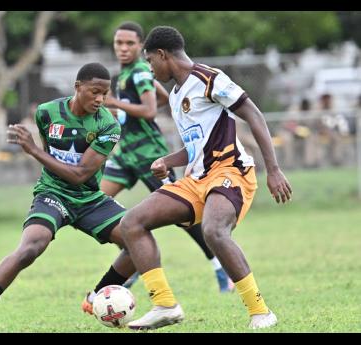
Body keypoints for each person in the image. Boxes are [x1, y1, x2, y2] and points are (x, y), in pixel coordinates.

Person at [118, 26, 292, 330]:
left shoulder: (209, 78)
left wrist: (273, 169)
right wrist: (167, 161)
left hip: (231, 172)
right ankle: (164, 305)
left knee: (213, 230)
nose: (149, 68)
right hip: (197, 179)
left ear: (163, 55)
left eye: (150, 61)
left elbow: (254, 114)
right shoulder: (174, 95)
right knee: (131, 223)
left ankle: (261, 311)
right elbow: (196, 145)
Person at [0, 63, 138, 333]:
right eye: (94, 92)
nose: (100, 99)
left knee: (138, 241)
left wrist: (31, 150)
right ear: (78, 88)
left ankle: (96, 296)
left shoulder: (108, 124)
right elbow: (51, 153)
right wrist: (40, 154)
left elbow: (78, 175)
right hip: (52, 193)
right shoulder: (47, 112)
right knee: (31, 247)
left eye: (105, 93)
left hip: (89, 198)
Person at [81, 22, 233, 313]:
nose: (123, 48)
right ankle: (134, 260)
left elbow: (150, 110)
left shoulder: (139, 71)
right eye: (119, 43)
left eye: (129, 44)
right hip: (127, 155)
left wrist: (115, 103)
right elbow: (161, 99)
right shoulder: (128, 74)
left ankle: (218, 265)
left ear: (141, 47)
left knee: (181, 214)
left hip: (150, 155)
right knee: (95, 203)